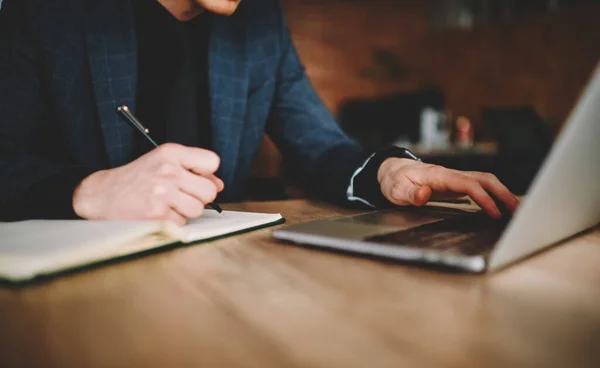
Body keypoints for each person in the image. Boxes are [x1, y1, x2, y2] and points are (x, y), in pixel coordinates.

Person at [0, 0, 519, 225]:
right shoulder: (49, 10)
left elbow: (322, 147)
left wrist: (391, 170)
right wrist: (90, 191)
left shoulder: (261, 22)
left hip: (221, 275)